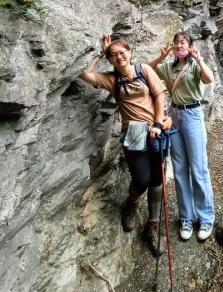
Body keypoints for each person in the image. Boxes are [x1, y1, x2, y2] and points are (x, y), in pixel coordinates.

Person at [79, 34, 167, 257]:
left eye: (122, 52)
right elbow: (85, 74)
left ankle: (153, 224)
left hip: (156, 131)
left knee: (157, 180)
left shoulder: (144, 70)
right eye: (114, 55)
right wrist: (102, 51)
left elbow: (159, 96)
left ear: (130, 53)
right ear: (110, 60)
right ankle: (132, 204)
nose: (119, 57)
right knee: (142, 179)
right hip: (134, 135)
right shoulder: (111, 80)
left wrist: (157, 124)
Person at [149, 31, 215, 242]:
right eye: (176, 43)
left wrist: (198, 57)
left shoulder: (194, 64)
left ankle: (205, 217)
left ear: (190, 45)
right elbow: (148, 71)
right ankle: (186, 217)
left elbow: (208, 78)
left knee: (198, 168)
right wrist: (161, 56)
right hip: (174, 116)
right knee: (179, 170)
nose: (179, 45)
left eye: (183, 42)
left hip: (193, 114)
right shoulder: (168, 67)